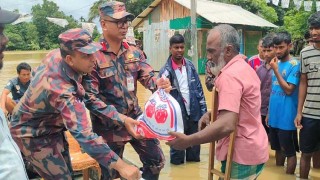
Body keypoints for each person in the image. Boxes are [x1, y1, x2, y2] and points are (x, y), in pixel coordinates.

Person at [10, 28, 143, 180]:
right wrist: (122, 166)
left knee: (68, 173)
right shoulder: (61, 90)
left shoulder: (58, 54)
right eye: (86, 56)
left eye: (93, 52)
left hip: (53, 126)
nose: (94, 59)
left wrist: (123, 119)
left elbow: (90, 99)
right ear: (70, 59)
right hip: (31, 133)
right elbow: (84, 135)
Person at [166, 24, 269, 179]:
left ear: (227, 50)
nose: (208, 57)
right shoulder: (244, 67)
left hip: (240, 154)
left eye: (211, 51)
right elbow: (243, 108)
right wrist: (213, 112)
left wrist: (189, 141)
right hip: (255, 148)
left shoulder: (229, 75)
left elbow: (227, 124)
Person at [82, 1, 170, 179]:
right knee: (110, 174)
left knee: (156, 160)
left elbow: (147, 77)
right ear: (104, 24)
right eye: (119, 21)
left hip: (137, 119)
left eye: (126, 21)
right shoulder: (92, 56)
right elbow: (90, 98)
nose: (124, 26)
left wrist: (159, 84)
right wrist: (121, 119)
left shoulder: (134, 52)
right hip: (109, 126)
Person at [158, 34, 207, 165]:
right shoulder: (165, 72)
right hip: (176, 118)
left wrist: (204, 113)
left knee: (194, 152)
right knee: (177, 153)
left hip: (194, 114)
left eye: (181, 47)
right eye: (176, 47)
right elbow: (161, 98)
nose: (179, 50)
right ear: (170, 48)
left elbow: (199, 91)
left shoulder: (190, 66)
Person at [0, 6, 28, 180]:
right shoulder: (13, 82)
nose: (6, 39)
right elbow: (4, 94)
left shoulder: (33, 82)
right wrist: (4, 107)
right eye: (0, 32)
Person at [267, 32, 300, 174]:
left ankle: (289, 176)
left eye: (281, 47)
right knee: (277, 148)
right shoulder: (277, 63)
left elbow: (289, 90)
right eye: (276, 47)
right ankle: (280, 174)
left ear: (290, 46)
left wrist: (275, 70)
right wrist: (268, 113)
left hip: (287, 117)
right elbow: (273, 90)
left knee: (289, 151)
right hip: (274, 115)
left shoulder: (295, 65)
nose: (278, 51)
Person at [295, 11, 320, 179]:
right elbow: (303, 82)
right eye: (312, 28)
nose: (314, 32)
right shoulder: (305, 53)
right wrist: (299, 112)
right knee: (305, 153)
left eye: (318, 28)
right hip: (310, 114)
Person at [256, 34, 276, 134]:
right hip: (260, 111)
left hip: (275, 112)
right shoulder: (259, 70)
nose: (266, 54)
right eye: (264, 51)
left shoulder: (280, 69)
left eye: (269, 50)